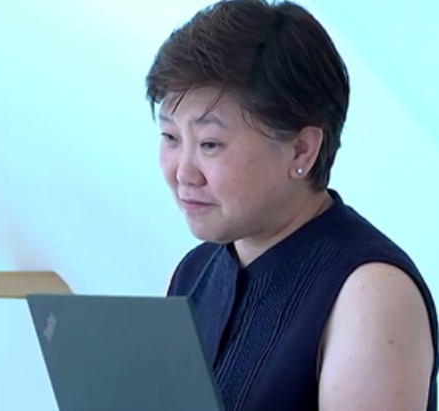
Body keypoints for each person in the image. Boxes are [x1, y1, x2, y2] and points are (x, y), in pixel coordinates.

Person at [145, 0, 438, 410]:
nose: (183, 173)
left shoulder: (370, 294)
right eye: (170, 138)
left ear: (301, 150)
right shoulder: (192, 272)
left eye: (210, 144)